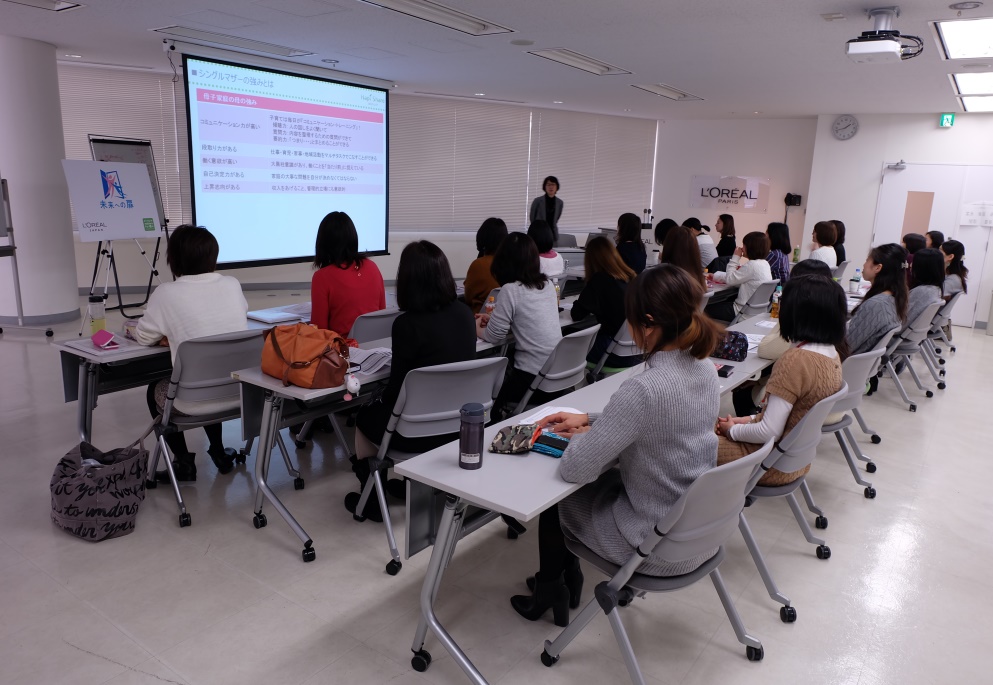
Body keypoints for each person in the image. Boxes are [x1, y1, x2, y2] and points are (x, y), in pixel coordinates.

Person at [509, 265, 722, 625]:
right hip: (697, 532)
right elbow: (659, 419)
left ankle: (551, 589)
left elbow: (576, 467)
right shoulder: (703, 369)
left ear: (649, 323)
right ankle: (565, 579)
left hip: (653, 544)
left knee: (560, 499)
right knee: (598, 483)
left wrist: (589, 436)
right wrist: (592, 420)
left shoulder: (645, 389)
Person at [345, 241, 476, 522]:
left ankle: (370, 493)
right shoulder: (465, 315)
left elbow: (396, 393)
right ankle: (397, 483)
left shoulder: (406, 325)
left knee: (364, 417)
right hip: (458, 427)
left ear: (407, 280)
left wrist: (375, 397)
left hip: (414, 434)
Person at [135, 224, 249, 482]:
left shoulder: (166, 293)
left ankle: (183, 463)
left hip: (190, 401)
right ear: (213, 256)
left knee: (155, 388)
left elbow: (144, 336)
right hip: (238, 391)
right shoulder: (232, 284)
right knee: (212, 370)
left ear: (173, 259)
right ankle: (219, 453)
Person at [716, 274, 845, 487]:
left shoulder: (796, 360)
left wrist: (733, 430)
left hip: (766, 463)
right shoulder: (832, 354)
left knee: (685, 441)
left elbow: (769, 431)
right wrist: (746, 421)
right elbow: (788, 416)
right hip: (794, 462)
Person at [732, 260, 832, 416]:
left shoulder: (799, 322)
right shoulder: (828, 320)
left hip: (793, 408)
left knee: (743, 386)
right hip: (818, 405)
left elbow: (765, 349)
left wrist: (784, 318)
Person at [477, 232, 562, 417]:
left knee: (487, 398)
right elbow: (529, 318)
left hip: (531, 380)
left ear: (503, 261)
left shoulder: (510, 290)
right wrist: (494, 320)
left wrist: (476, 324)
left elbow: (493, 336)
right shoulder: (547, 285)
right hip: (556, 376)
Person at [311, 211, 386, 335]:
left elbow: (319, 332)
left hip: (343, 351)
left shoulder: (322, 277)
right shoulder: (372, 267)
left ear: (323, 243)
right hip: (376, 348)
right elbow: (381, 312)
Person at [571, 236, 638, 369]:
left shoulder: (599, 280)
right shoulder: (631, 278)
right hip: (634, 351)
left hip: (611, 351)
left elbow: (576, 314)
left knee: (567, 340)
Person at [847, 243, 909, 356]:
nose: (864, 265)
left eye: (867, 260)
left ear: (878, 267)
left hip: (839, 365)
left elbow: (847, 345)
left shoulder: (876, 305)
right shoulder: (894, 298)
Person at [704, 231, 773, 323]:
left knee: (702, 308)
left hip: (741, 312)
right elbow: (737, 278)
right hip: (756, 312)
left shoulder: (751, 265)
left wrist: (735, 257)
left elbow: (730, 280)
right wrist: (716, 276)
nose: (742, 248)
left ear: (750, 248)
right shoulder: (765, 264)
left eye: (744, 245)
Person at [464, 217, 508, 313]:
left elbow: (467, 297)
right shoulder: (512, 263)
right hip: (504, 321)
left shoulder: (479, 265)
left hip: (481, 321)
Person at [529, 176, 563, 243]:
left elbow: (556, 218)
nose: (551, 187)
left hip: (552, 235)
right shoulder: (537, 201)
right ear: (545, 187)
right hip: (538, 234)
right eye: (548, 184)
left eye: (553, 184)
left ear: (557, 187)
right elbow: (532, 218)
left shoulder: (560, 203)